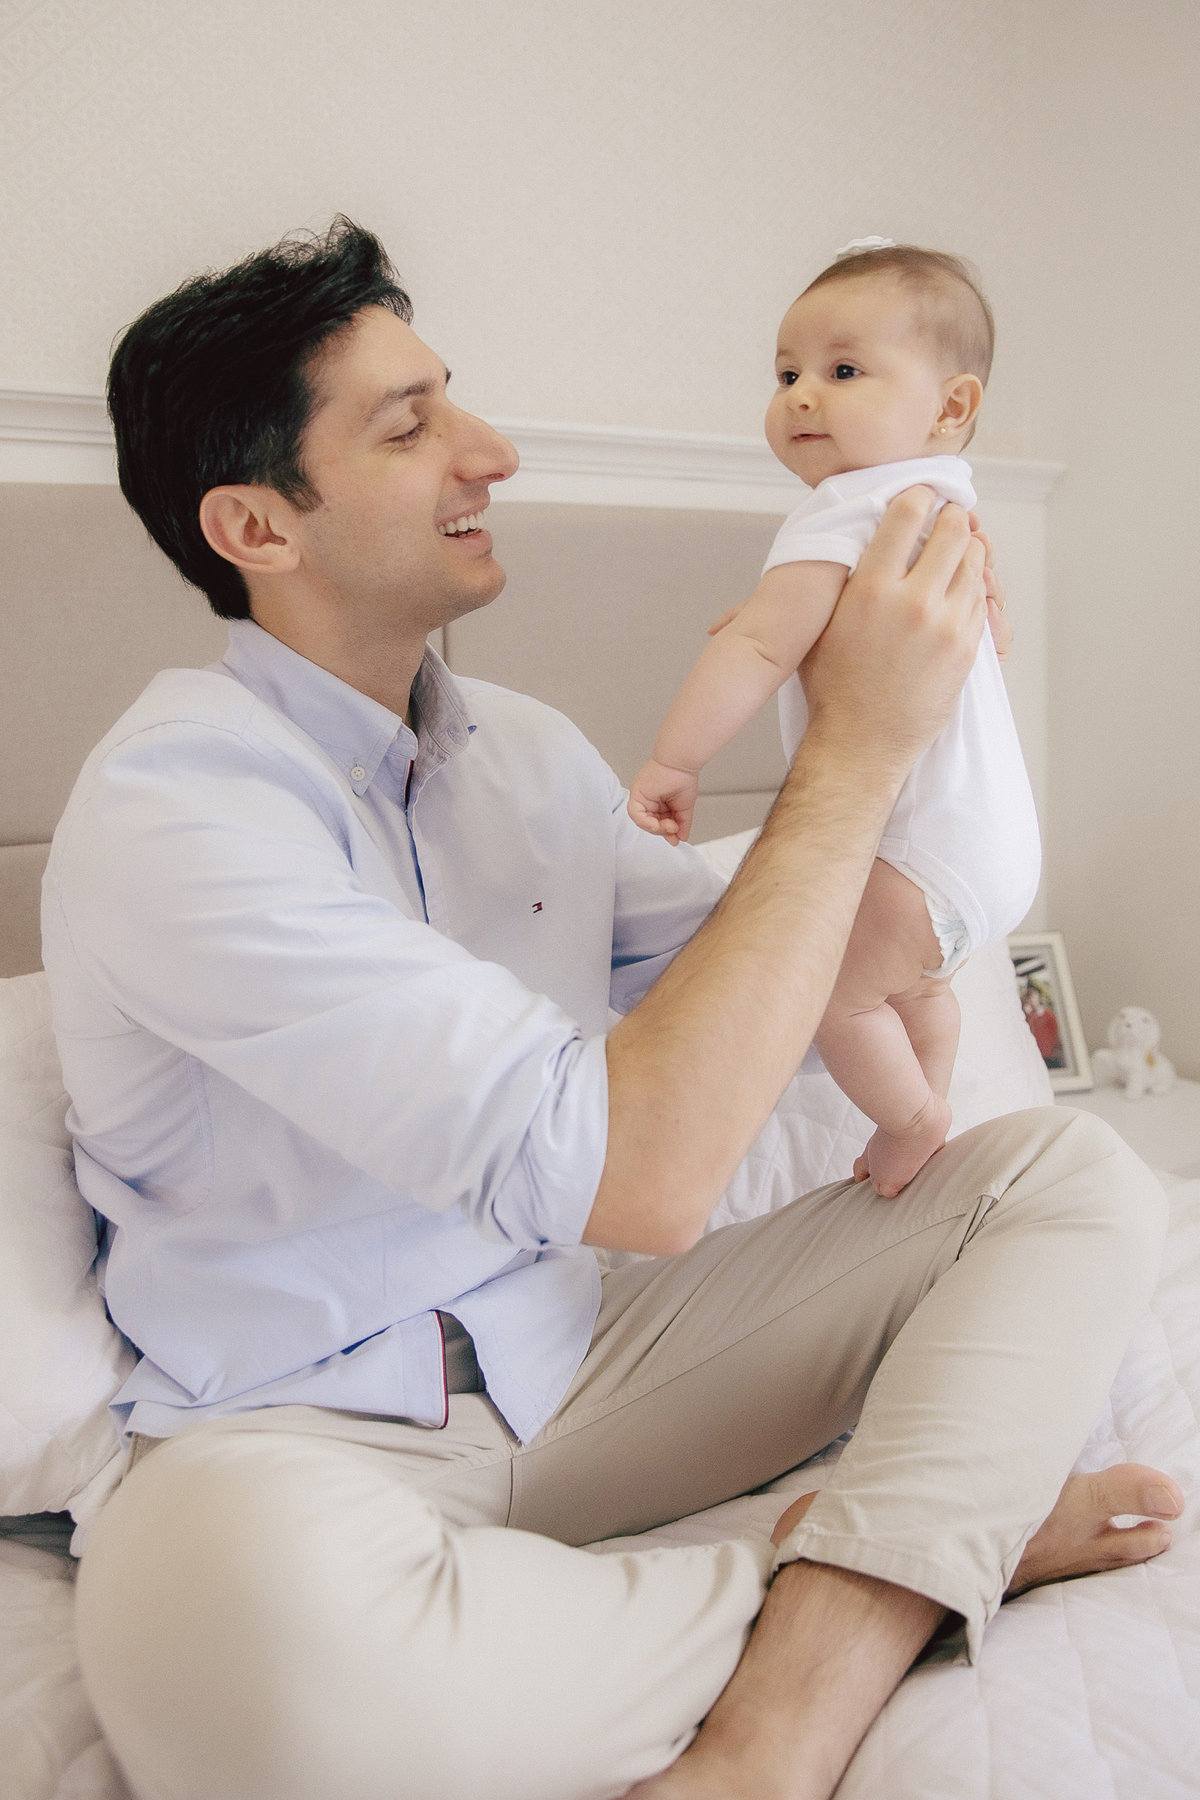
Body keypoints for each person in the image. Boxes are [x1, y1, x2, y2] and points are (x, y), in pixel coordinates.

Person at [45, 219, 1180, 1800]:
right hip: (293, 1436)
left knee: (1069, 1179)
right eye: (412, 423)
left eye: (458, 400)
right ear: (256, 524)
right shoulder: (180, 811)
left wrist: (937, 767)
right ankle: (909, 1558)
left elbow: (786, 961)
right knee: (266, 1690)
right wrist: (845, 751)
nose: (492, 452)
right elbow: (636, 1175)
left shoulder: (518, 747)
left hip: (585, 1364)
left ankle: (787, 1705)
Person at [629, 241, 1040, 1199]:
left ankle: (912, 1118)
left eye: (843, 370)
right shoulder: (949, 509)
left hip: (917, 849)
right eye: (786, 374)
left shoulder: (839, 513)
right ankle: (935, 1114)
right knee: (920, 988)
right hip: (997, 847)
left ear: (951, 407)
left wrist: (674, 759)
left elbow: (760, 650)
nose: (802, 395)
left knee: (831, 992)